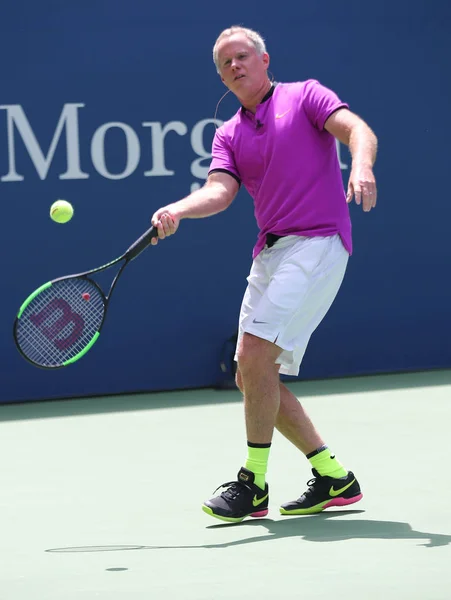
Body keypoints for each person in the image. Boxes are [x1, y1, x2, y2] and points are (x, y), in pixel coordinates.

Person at [151, 25, 377, 523]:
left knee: (254, 356)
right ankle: (333, 477)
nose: (235, 66)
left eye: (242, 57)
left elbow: (358, 130)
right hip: (271, 253)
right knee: (250, 374)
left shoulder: (305, 96)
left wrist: (360, 167)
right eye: (225, 63)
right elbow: (220, 191)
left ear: (264, 59)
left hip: (318, 242)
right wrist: (179, 210)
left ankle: (253, 485)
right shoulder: (228, 132)